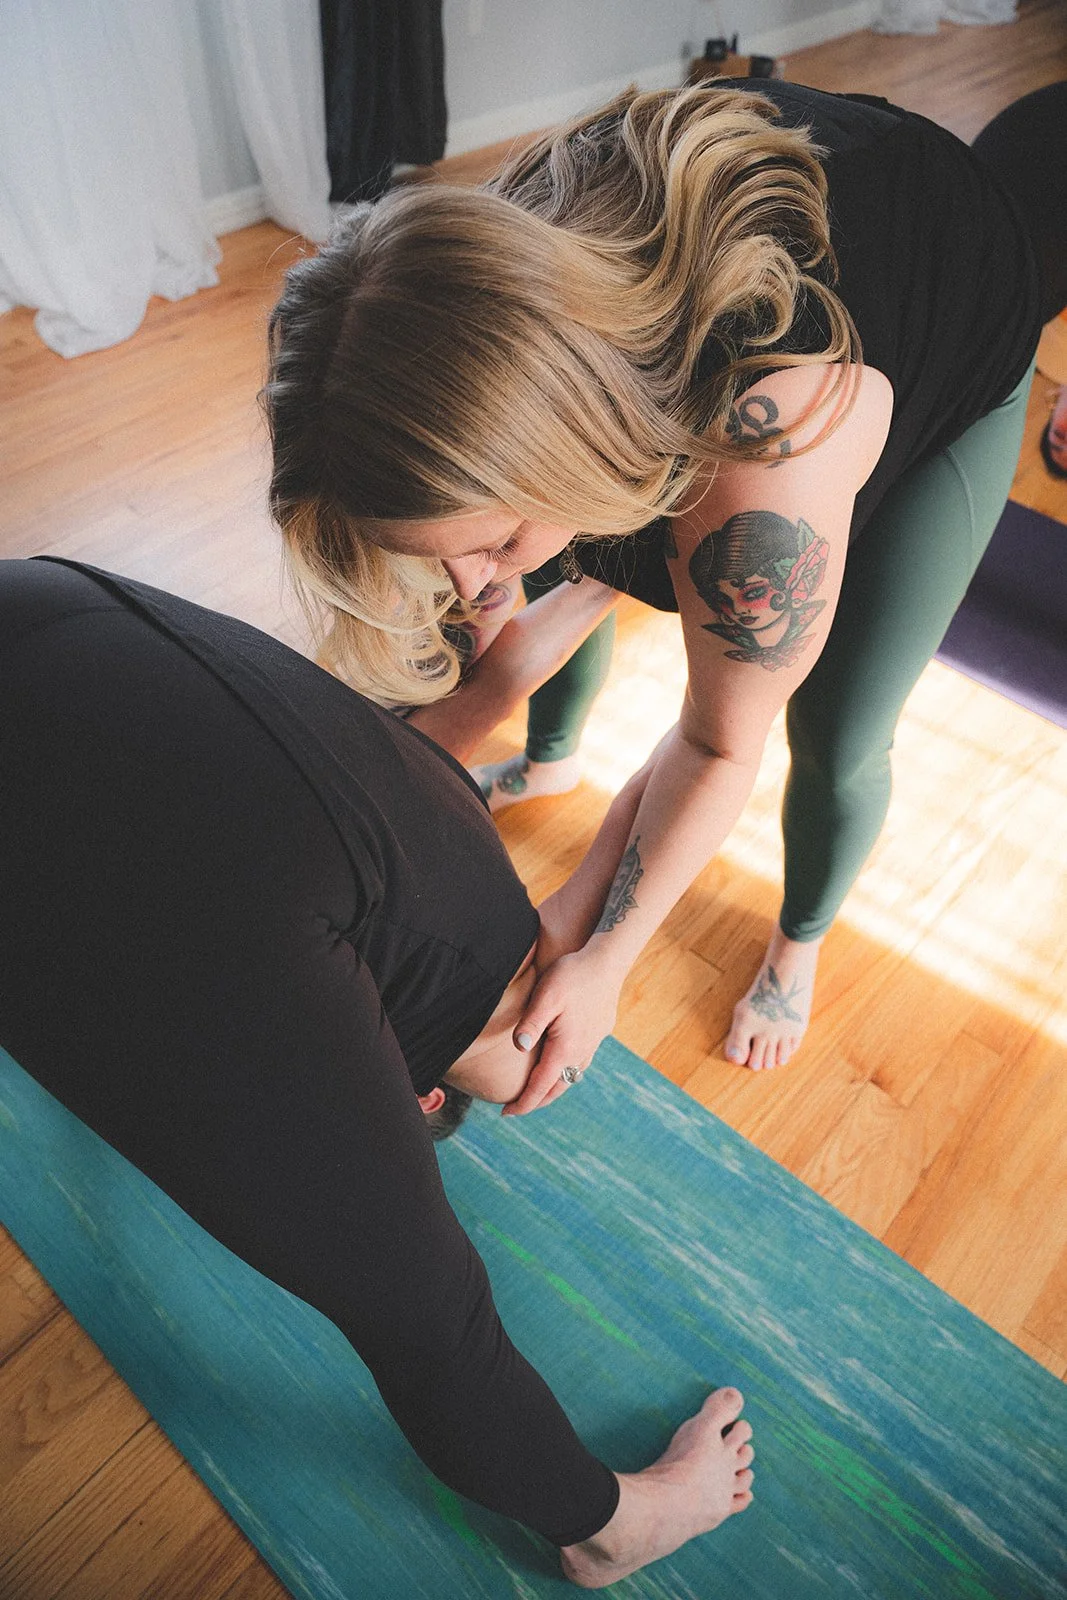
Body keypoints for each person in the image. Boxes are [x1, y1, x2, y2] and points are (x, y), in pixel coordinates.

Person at [262, 75, 1064, 1093]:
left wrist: (604, 951)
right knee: (535, 582)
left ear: (561, 457)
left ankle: (799, 935)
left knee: (837, 728)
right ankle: (550, 757)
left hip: (941, 289)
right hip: (679, 330)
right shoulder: (456, 323)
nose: (465, 583)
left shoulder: (758, 463)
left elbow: (714, 738)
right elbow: (507, 633)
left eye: (490, 542)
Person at [0, 556, 755, 1589]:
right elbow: (436, 1331)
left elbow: (557, 748)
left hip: (53, 610)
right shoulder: (354, 975)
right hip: (69, 662)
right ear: (409, 1096)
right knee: (421, 1303)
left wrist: (599, 583)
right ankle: (607, 1532)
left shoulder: (444, 818)